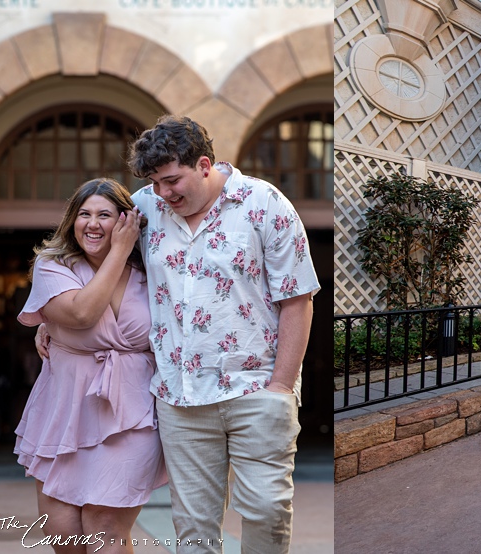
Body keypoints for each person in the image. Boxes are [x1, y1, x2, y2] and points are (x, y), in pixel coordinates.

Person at [40, 115, 319, 553]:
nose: (164, 193)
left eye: (172, 180)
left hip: (255, 389)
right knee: (193, 530)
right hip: (179, 398)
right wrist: (50, 324)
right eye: (155, 182)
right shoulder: (146, 208)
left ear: (204, 164)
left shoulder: (264, 204)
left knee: (267, 509)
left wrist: (281, 386)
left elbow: (297, 299)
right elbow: (88, 253)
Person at [16, 178, 168, 554]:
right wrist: (119, 251)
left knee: (104, 531)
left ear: (125, 222)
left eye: (105, 214)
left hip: (131, 414)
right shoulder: (53, 266)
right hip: (64, 408)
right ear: (72, 220)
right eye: (84, 214)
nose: (93, 223)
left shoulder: (153, 268)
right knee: (65, 534)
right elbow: (82, 313)